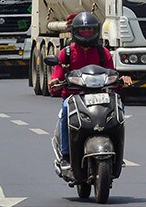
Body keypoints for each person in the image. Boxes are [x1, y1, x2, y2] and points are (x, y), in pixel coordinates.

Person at [48, 12, 132, 171]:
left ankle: (117, 152)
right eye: (82, 31)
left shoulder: (103, 52)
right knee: (66, 111)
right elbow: (57, 72)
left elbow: (111, 74)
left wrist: (122, 80)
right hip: (74, 96)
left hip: (100, 95)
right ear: (75, 32)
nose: (86, 34)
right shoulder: (66, 53)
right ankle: (66, 155)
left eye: (90, 30)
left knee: (119, 109)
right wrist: (55, 81)